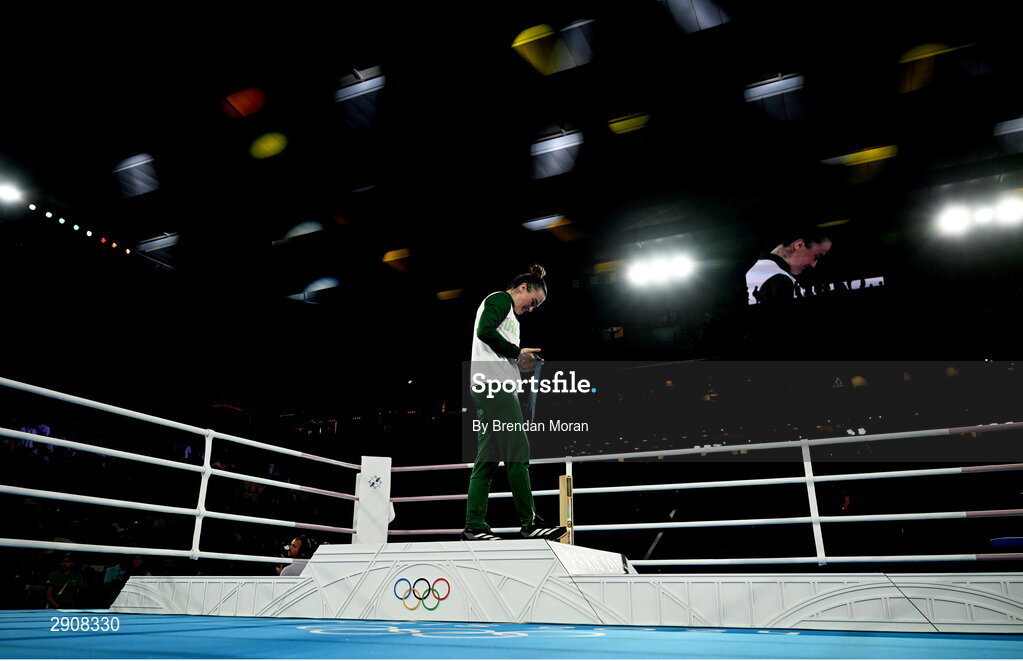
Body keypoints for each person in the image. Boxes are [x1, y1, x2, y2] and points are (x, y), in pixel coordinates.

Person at [463, 264, 567, 541]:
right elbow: (485, 331)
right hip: (492, 386)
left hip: (496, 385)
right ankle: (529, 523)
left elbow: (498, 348)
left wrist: (520, 364)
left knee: (487, 459)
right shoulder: (499, 299)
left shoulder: (514, 320)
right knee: (518, 449)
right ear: (524, 287)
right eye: (534, 302)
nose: (533, 308)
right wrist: (516, 351)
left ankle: (474, 525)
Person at [745, 228, 832, 304]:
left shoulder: (756, 269)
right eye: (816, 256)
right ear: (799, 245)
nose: (814, 264)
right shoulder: (780, 279)